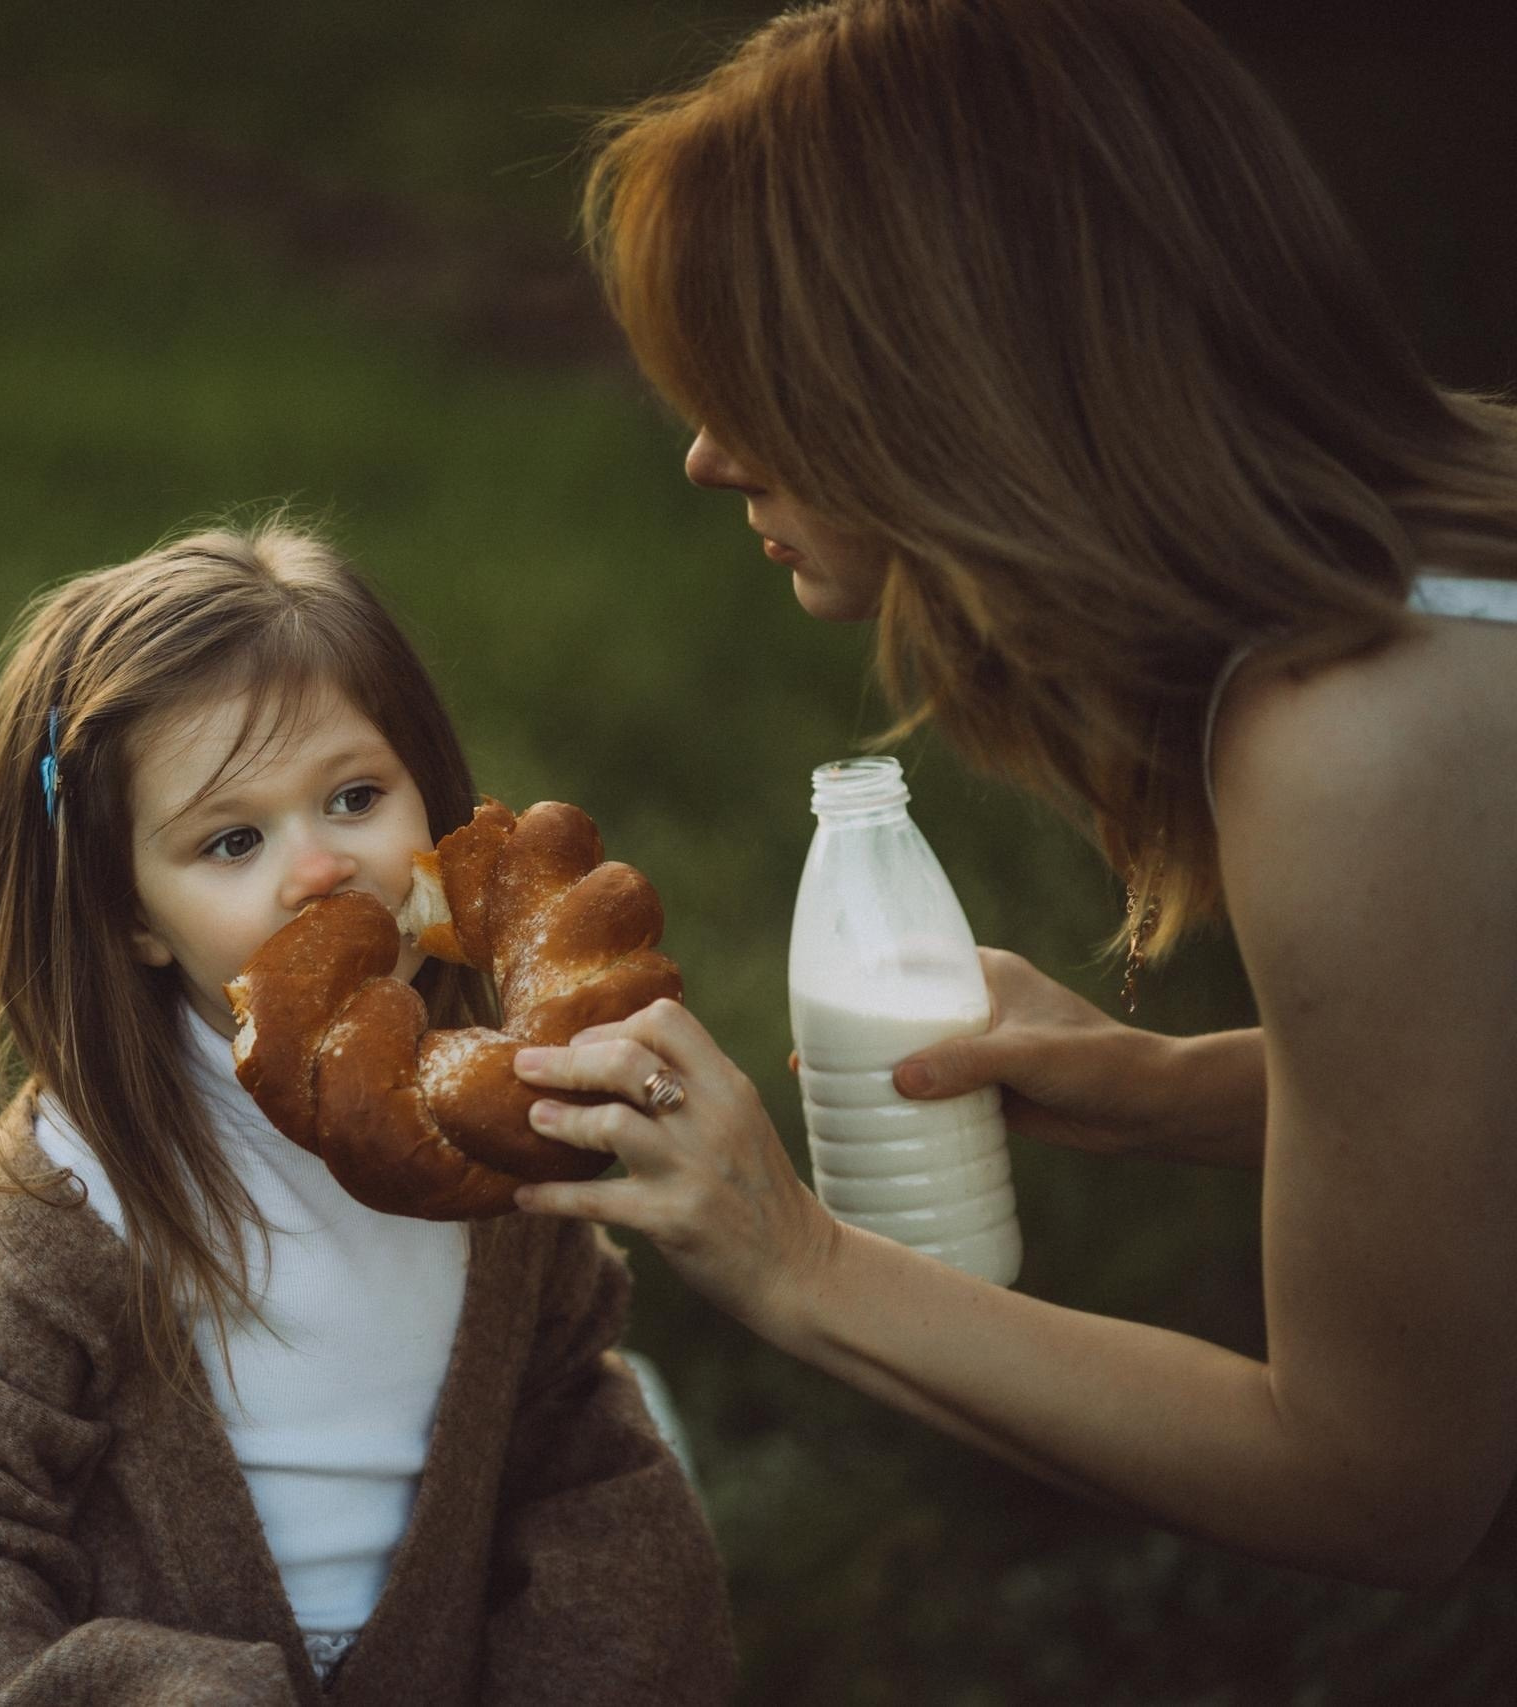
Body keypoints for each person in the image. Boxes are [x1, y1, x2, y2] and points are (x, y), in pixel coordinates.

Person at [509, 0, 1517, 1590]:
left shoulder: (1349, 730)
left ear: (929, 375)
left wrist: (801, 1262)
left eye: (748, 379)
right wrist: (1165, 1084)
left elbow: (1383, 1478)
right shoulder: (1450, 563)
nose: (705, 456)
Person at [0, 520, 735, 1704]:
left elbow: (575, 1460)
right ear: (132, 916)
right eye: (232, 839)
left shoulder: (496, 1157)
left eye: (355, 796)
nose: (318, 869)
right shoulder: (44, 1228)